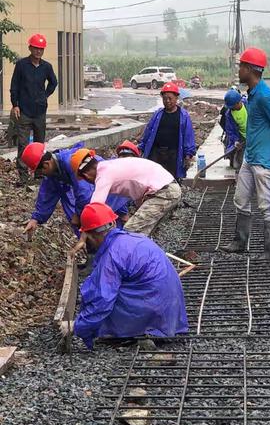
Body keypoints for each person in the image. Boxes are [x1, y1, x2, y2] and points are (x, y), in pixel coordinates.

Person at [67, 202, 188, 349]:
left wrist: (77, 326)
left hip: (153, 306)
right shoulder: (134, 238)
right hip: (171, 307)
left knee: (105, 294)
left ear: (91, 236)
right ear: (112, 223)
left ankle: (140, 330)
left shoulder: (112, 254)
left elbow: (102, 300)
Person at [222, 47, 270, 258]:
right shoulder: (252, 95)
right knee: (240, 199)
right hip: (250, 158)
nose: (239, 71)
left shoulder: (264, 96)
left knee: (266, 205)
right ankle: (240, 242)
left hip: (263, 161)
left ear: (250, 69)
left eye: (241, 67)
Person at [21, 142, 129, 239]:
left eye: (40, 172)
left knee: (97, 222)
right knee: (79, 217)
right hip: (101, 191)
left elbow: (85, 193)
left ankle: (107, 248)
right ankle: (94, 252)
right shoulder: (53, 172)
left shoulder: (71, 162)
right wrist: (36, 219)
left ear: (46, 164)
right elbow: (47, 194)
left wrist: (78, 215)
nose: (42, 176)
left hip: (107, 188)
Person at [70, 148, 181, 239]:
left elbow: (94, 209)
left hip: (164, 192)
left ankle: (134, 262)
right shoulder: (109, 166)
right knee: (141, 234)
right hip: (165, 189)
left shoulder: (104, 174)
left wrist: (83, 237)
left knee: (130, 233)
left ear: (86, 175)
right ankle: (144, 261)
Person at [11, 34, 58, 185]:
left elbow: (53, 82)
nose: (38, 51)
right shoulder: (21, 65)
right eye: (36, 48)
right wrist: (15, 104)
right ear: (30, 48)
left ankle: (39, 174)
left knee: (39, 144)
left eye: (41, 49)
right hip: (24, 111)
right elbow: (14, 86)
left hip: (40, 112)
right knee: (23, 145)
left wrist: (45, 95)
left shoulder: (47, 67)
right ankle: (23, 177)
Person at [138, 82, 196, 180]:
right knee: (154, 178)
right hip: (156, 152)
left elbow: (188, 136)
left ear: (176, 98)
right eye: (164, 98)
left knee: (171, 179)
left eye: (170, 98)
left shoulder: (183, 116)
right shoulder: (158, 114)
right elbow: (148, 132)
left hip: (173, 154)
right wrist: (141, 148)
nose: (167, 101)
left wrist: (188, 155)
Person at [223, 89, 248, 172]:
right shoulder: (229, 114)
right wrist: (235, 141)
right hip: (242, 136)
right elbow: (230, 130)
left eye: (232, 106)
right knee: (240, 161)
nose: (231, 109)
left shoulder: (249, 105)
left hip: (254, 134)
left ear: (238, 102)